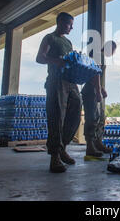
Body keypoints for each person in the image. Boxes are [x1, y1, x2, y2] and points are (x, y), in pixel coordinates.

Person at [36, 12, 82, 173]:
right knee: (56, 117)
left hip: (70, 81)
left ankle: (63, 147)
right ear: (61, 22)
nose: (72, 27)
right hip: (56, 81)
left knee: (76, 113)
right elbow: (40, 58)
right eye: (70, 24)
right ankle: (54, 156)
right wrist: (56, 61)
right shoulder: (50, 38)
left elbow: (69, 60)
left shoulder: (68, 42)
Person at [81, 41, 117, 157]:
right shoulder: (99, 55)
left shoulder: (99, 56)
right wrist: (98, 91)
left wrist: (101, 88)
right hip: (91, 91)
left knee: (100, 117)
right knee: (92, 118)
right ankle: (90, 146)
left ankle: (98, 143)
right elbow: (94, 73)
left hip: (94, 90)